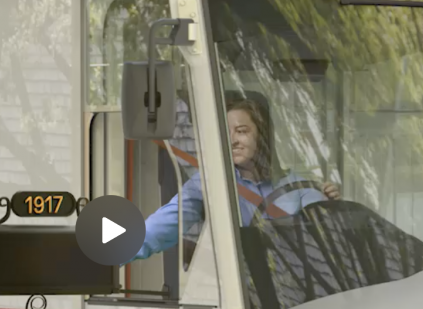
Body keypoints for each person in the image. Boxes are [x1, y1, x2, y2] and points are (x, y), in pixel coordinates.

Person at [131, 91, 341, 262]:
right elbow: (157, 229)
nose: (232, 141)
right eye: (226, 133)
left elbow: (326, 244)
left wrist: (334, 208)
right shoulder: (208, 185)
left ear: (263, 135)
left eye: (241, 131)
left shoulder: (301, 189)